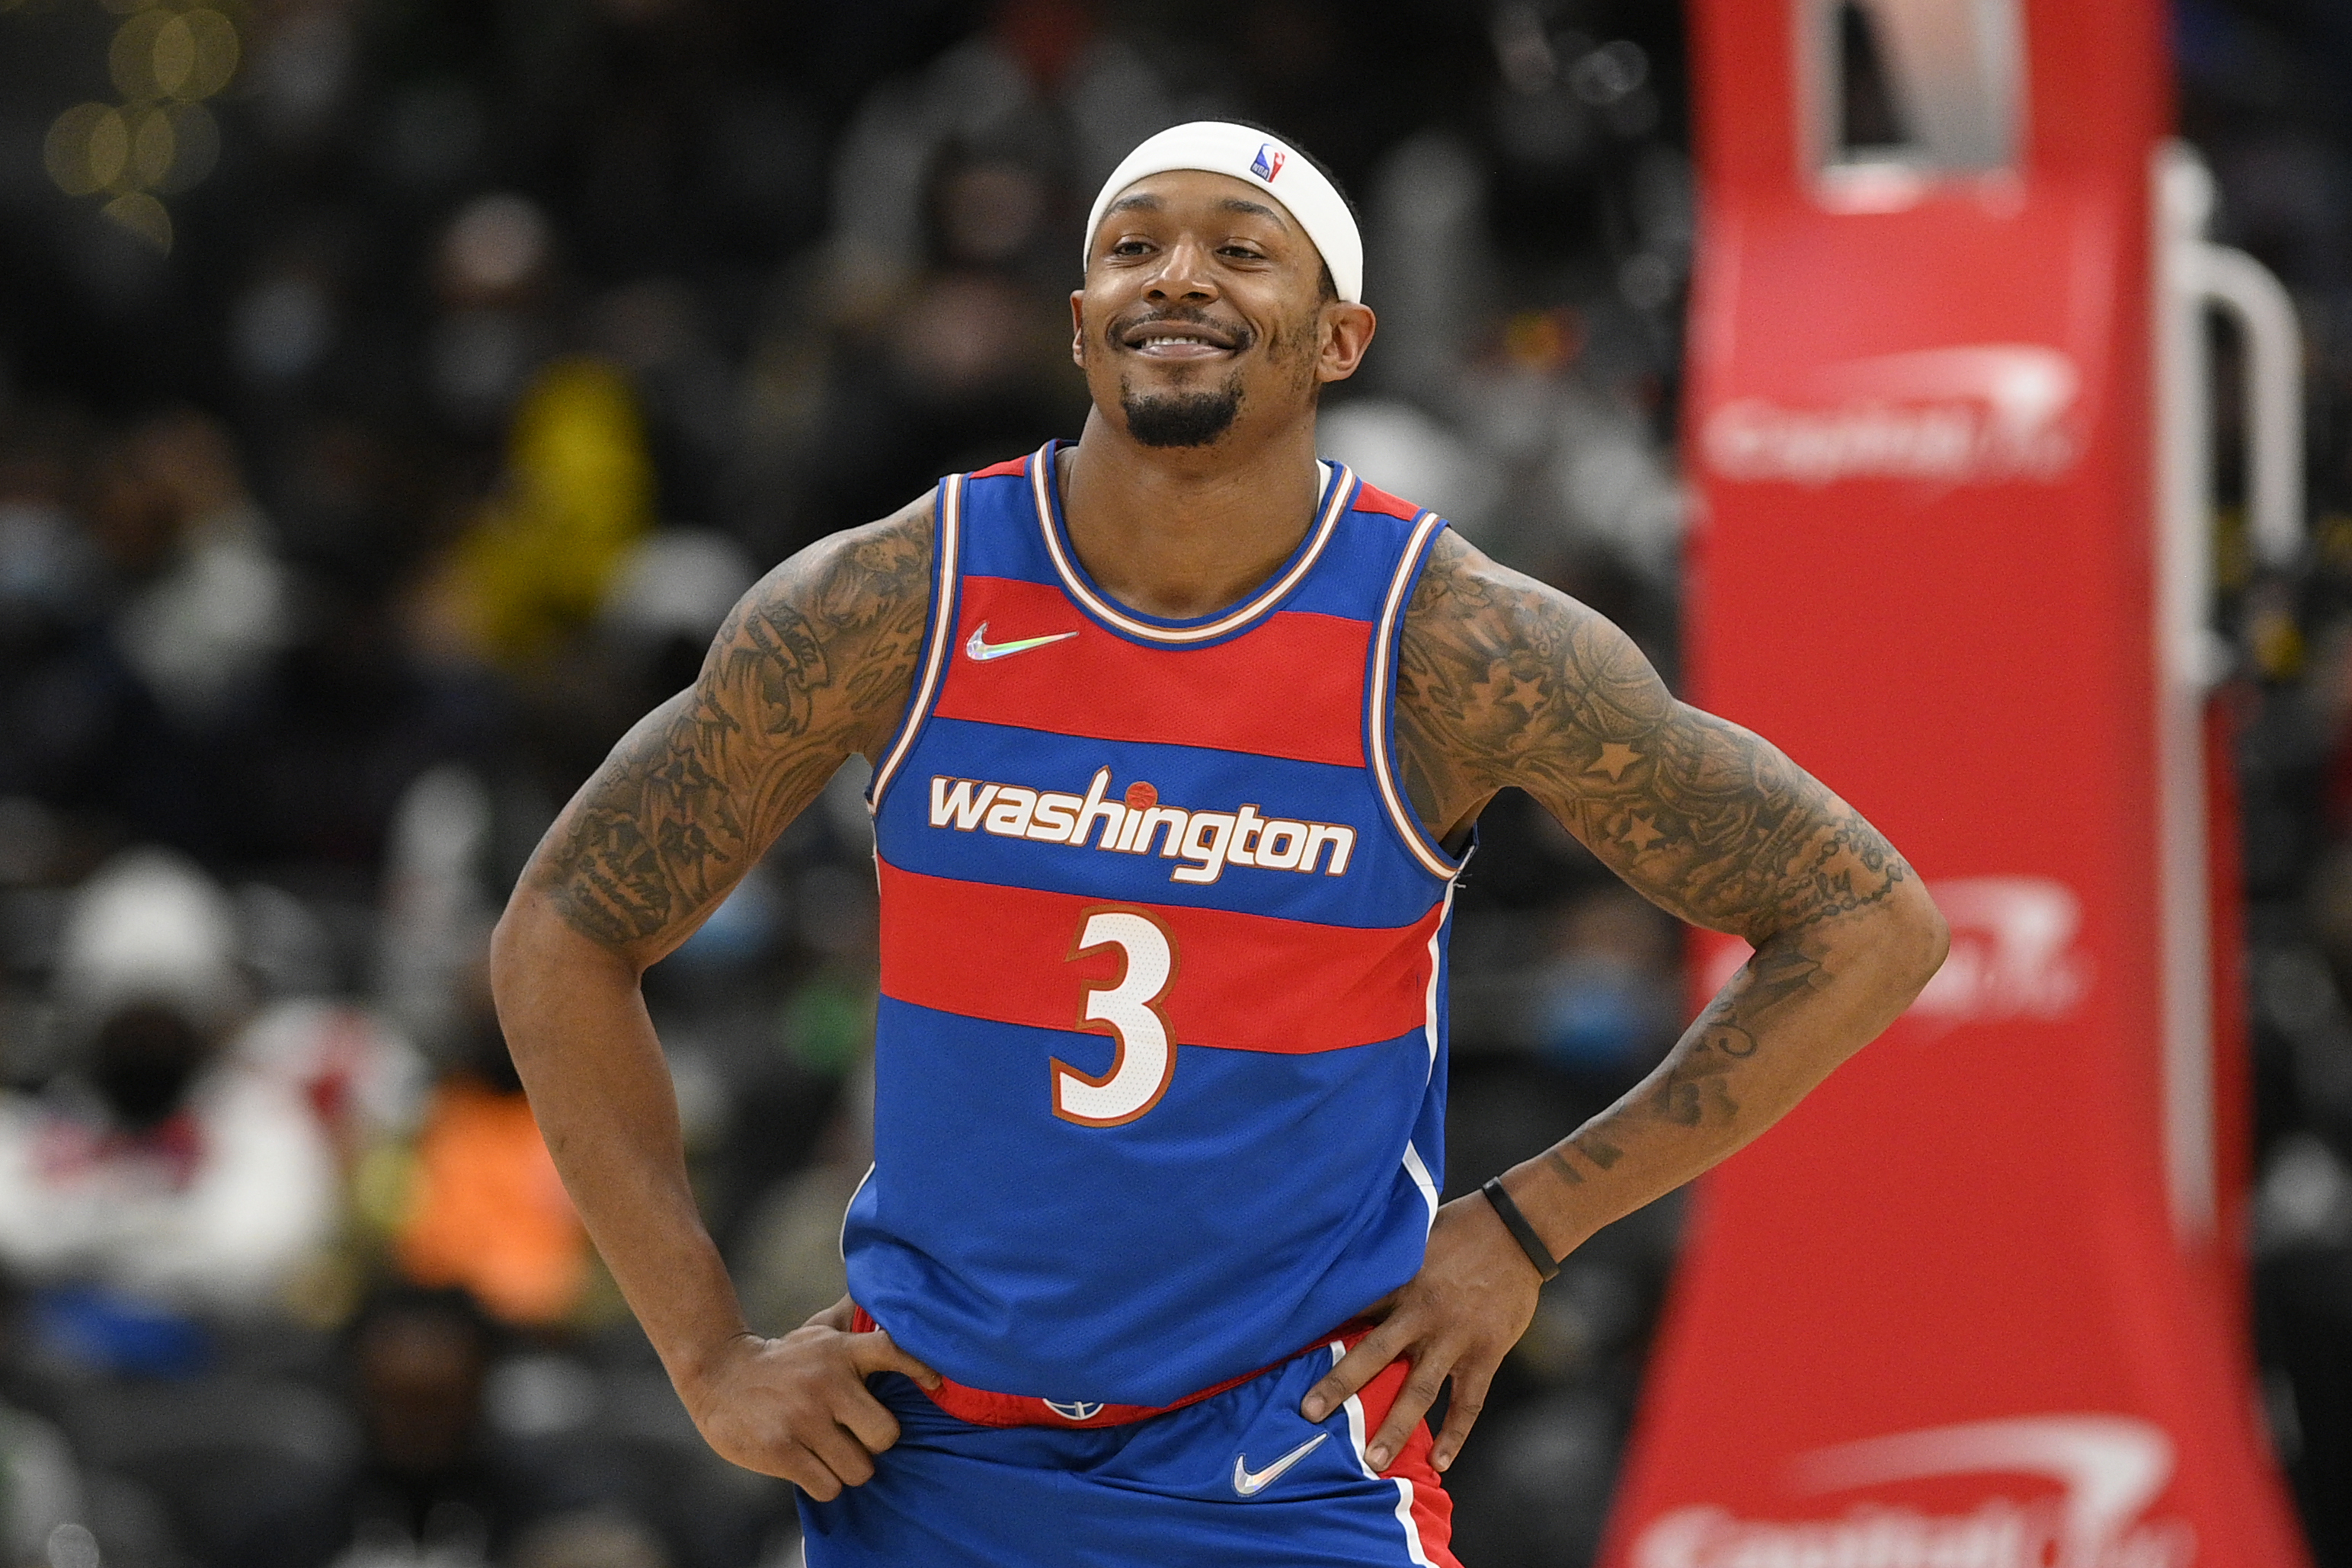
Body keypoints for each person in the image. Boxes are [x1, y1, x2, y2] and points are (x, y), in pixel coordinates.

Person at [490, 121, 1948, 1566]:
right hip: (928, 1456)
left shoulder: (1456, 642)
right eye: (1134, 248)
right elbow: (562, 928)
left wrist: (1525, 1225)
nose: (1177, 276)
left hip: (1291, 1457)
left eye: (1241, 252)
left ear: (1341, 339)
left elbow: (1864, 918)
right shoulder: (894, 602)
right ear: (1080, 326)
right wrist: (706, 1356)